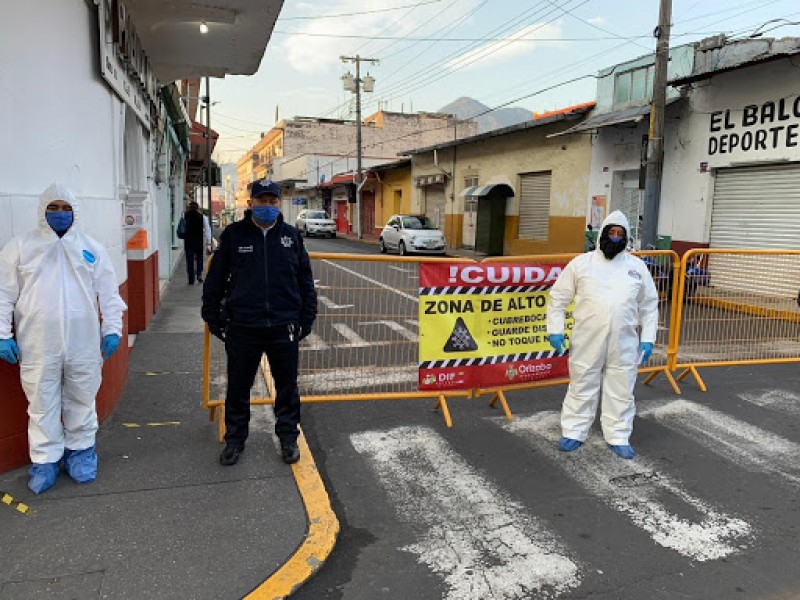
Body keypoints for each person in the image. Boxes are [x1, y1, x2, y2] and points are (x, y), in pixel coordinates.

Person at [0, 183, 127, 493]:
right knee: (41, 402)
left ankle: (81, 453)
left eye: (66, 208)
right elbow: (3, 294)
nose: (60, 214)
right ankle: (44, 461)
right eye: (53, 207)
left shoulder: (92, 247)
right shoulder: (20, 247)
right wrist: (3, 334)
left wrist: (112, 329)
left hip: (83, 342)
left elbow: (109, 294)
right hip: (38, 342)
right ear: (43, 211)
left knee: (82, 398)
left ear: (75, 211)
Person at [202, 179, 317, 466]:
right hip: (243, 326)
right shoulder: (234, 235)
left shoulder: (291, 236)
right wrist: (213, 316)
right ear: (251, 203)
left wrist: (307, 317)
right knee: (239, 388)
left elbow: (304, 280)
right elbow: (215, 279)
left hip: (283, 326)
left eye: (272, 201)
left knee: (287, 387)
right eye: (261, 201)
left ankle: (288, 438)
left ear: (279, 204)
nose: (267, 206)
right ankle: (235, 440)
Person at [546, 210, 659, 460]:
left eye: (620, 234)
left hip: (624, 341)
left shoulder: (636, 267)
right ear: (603, 234)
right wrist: (555, 330)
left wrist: (648, 337)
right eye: (612, 232)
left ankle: (618, 435)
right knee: (582, 383)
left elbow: (650, 305)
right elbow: (558, 299)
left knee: (621, 388)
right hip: (587, 338)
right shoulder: (581, 264)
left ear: (627, 237)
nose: (615, 238)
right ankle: (574, 431)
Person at [182, 200, 212, 285]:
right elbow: (207, 230)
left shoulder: (185, 216)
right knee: (199, 258)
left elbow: (181, 227)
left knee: (190, 260)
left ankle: (191, 279)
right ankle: (199, 274)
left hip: (188, 241)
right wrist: (208, 242)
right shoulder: (202, 217)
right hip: (198, 241)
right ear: (198, 208)